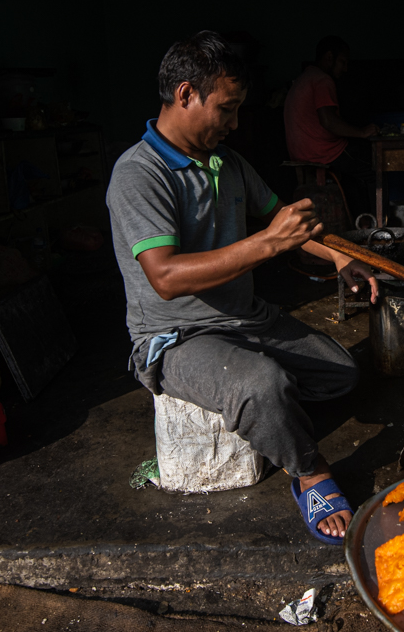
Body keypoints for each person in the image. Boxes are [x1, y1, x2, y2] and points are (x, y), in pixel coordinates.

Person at [106, 30, 379, 543]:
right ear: (186, 94)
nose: (234, 124)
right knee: (261, 385)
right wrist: (267, 245)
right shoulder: (138, 173)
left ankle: (269, 415)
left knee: (342, 373)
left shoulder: (226, 163)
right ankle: (308, 471)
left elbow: (284, 220)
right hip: (178, 336)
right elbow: (164, 277)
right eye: (227, 110)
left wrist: (341, 257)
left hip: (244, 318)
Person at [283, 36, 379, 218]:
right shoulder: (322, 80)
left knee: (354, 175)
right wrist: (362, 132)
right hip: (324, 152)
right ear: (329, 57)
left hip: (302, 152)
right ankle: (377, 225)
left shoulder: (305, 77)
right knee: (376, 169)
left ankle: (360, 221)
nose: (345, 68)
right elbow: (328, 122)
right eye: (342, 62)